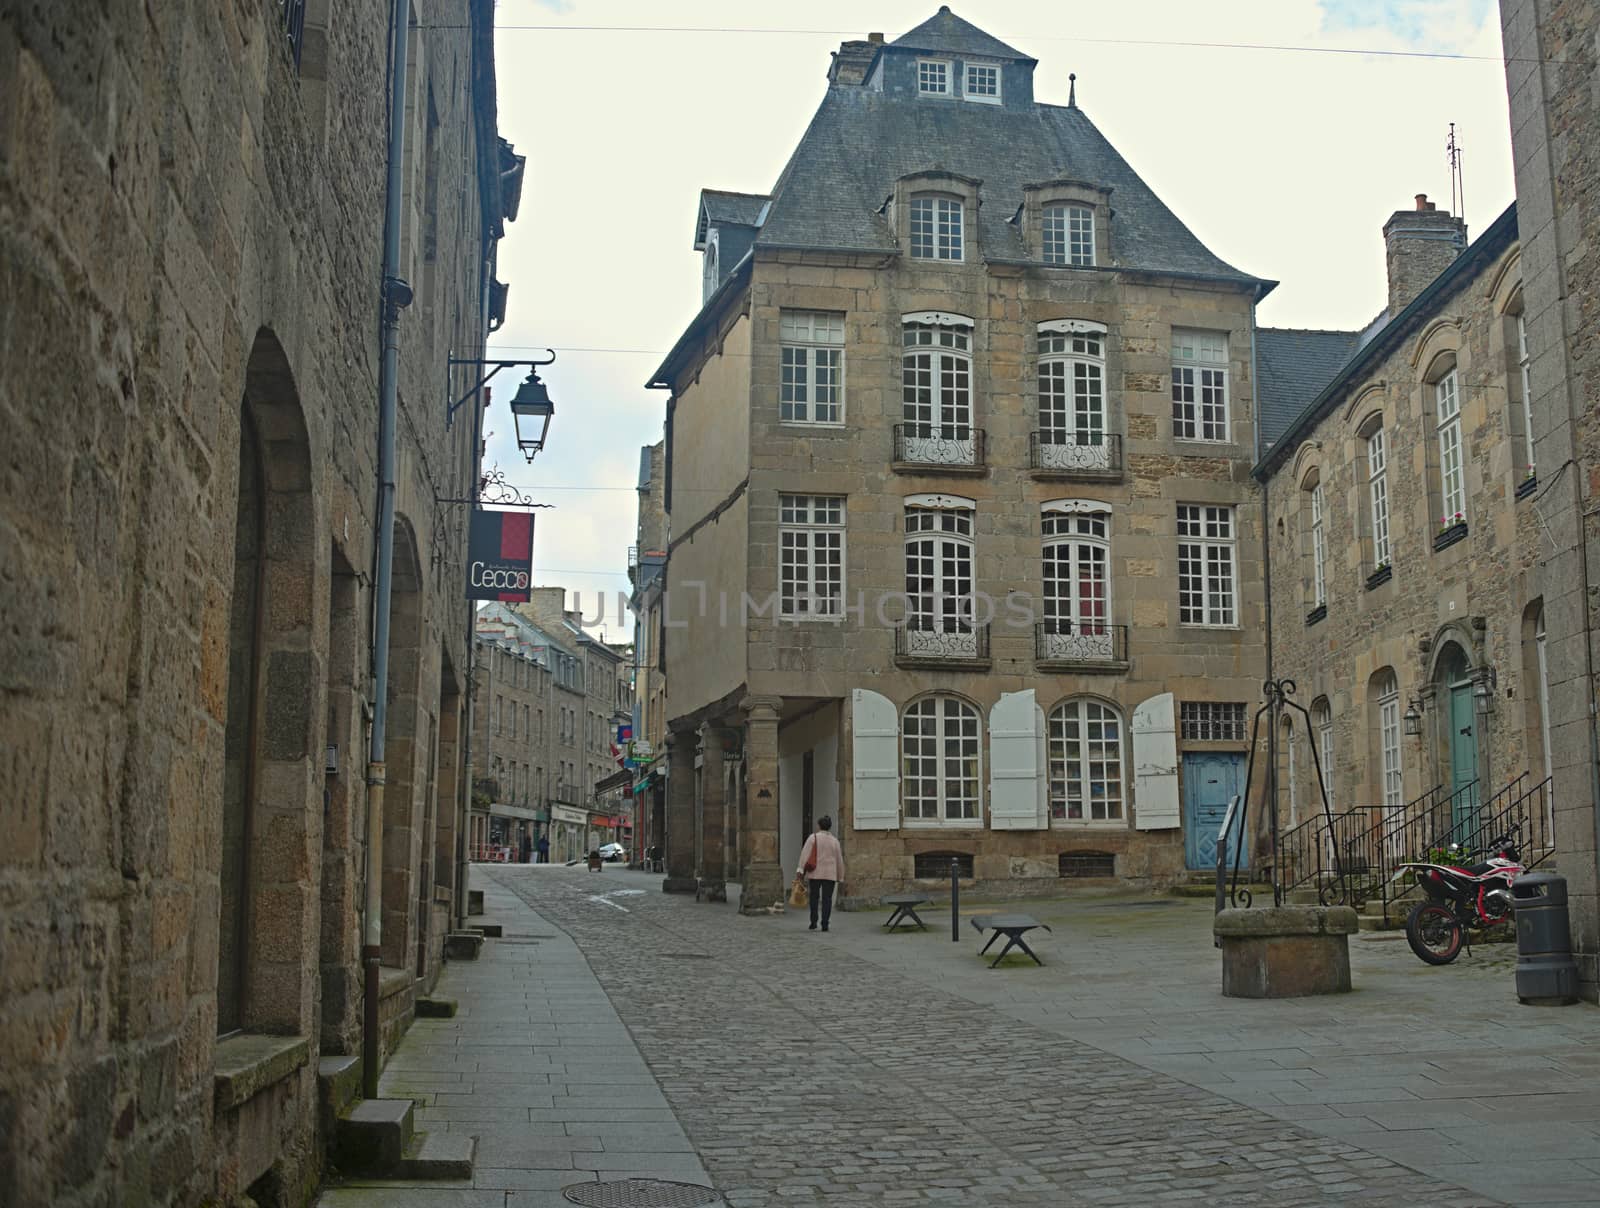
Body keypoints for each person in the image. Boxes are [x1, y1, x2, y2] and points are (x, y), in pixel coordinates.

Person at [796, 815, 844, 932]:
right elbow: (839, 859)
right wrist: (840, 875)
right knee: (827, 899)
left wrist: (800, 869)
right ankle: (825, 923)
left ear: (819, 826)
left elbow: (805, 854)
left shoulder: (813, 838)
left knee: (814, 897)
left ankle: (813, 921)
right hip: (830, 874)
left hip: (815, 872)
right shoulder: (835, 841)